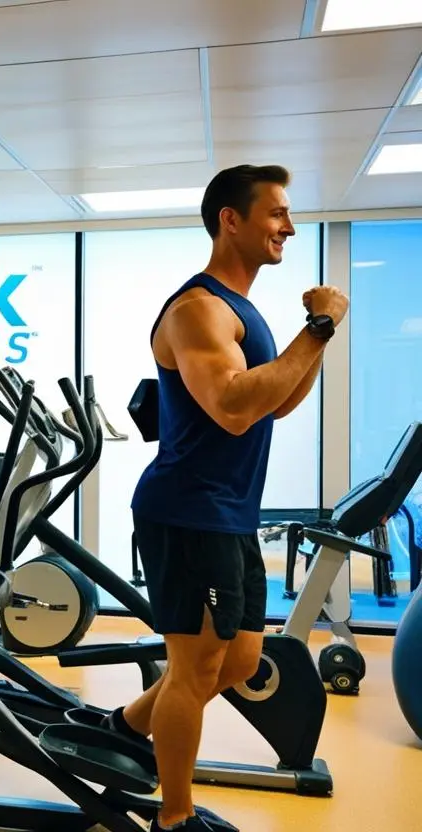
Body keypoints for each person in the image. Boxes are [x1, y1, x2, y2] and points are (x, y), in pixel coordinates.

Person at [107, 164, 347, 831]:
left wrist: (314, 335)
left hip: (228, 513)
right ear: (230, 220)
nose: (289, 228)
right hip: (187, 512)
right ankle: (174, 818)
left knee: (240, 660)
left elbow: (279, 400)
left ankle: (125, 727)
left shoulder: (241, 310)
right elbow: (235, 408)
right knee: (193, 668)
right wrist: (319, 328)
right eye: (276, 214)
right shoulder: (197, 310)